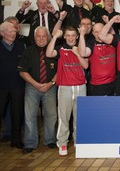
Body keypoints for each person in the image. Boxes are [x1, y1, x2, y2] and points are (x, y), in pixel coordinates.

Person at [46, 26, 88, 156]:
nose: (70, 38)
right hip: (65, 87)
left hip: (80, 87)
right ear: (64, 36)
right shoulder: (60, 49)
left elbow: (86, 65)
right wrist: (54, 37)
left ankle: (78, 141)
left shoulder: (81, 48)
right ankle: (62, 143)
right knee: (64, 117)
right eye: (68, 35)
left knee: (79, 117)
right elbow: (48, 53)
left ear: (76, 36)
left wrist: (77, 53)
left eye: (73, 35)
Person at [17, 26, 58, 154]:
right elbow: (22, 72)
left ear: (48, 37)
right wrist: (35, 84)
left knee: (51, 115)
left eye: (44, 36)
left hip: (50, 87)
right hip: (32, 87)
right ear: (34, 38)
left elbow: (60, 70)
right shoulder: (28, 51)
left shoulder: (54, 51)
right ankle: (30, 143)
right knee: (30, 116)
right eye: (38, 36)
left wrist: (50, 84)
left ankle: (50, 140)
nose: (41, 39)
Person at [0, 21, 25, 149]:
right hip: (1, 86)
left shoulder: (21, 46)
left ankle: (16, 140)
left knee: (17, 113)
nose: (13, 34)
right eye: (10, 31)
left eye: (14, 31)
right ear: (2, 33)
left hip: (17, 85)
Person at [78, 22, 116, 96]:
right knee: (99, 107)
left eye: (101, 31)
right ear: (92, 33)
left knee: (112, 107)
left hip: (113, 82)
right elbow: (83, 53)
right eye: (96, 32)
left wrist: (110, 22)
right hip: (97, 85)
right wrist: (82, 35)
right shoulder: (91, 43)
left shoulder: (112, 41)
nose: (99, 34)